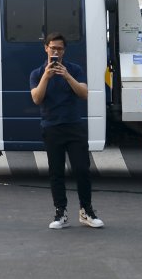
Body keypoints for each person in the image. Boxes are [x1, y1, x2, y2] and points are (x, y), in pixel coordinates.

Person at [30, 33, 102, 229]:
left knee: (81, 169)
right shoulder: (37, 73)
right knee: (56, 172)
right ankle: (60, 212)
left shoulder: (75, 70)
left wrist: (67, 75)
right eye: (52, 48)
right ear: (46, 48)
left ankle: (86, 210)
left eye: (60, 49)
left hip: (74, 126)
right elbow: (36, 98)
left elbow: (84, 94)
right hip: (51, 127)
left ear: (64, 50)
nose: (56, 51)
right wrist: (47, 75)